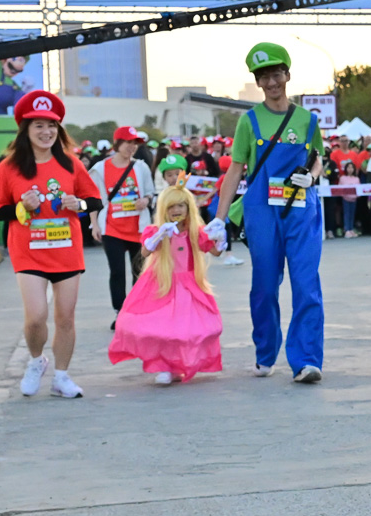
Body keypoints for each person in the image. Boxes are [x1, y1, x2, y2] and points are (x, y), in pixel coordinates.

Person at [209, 43, 325, 383]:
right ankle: (265, 352)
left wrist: (312, 176)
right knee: (264, 286)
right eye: (264, 77)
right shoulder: (248, 121)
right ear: (258, 83)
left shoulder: (308, 120)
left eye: (276, 75)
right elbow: (235, 170)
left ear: (287, 75)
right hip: (262, 211)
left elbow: (318, 157)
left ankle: (306, 360)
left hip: (302, 211)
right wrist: (219, 220)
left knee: (306, 285)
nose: (271, 82)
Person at [0, 90, 102, 400]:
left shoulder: (71, 164)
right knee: (36, 317)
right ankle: (36, 360)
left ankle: (62, 377)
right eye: (38, 125)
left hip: (66, 250)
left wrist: (79, 205)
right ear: (25, 129)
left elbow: (94, 200)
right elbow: (0, 211)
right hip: (28, 251)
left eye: (52, 125)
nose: (46, 132)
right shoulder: (9, 167)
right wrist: (22, 207)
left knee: (65, 318)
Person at [108, 184, 224, 385]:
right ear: (163, 209)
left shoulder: (195, 232)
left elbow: (215, 251)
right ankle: (163, 366)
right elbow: (145, 251)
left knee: (185, 329)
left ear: (188, 208)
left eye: (180, 205)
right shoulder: (156, 231)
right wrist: (158, 236)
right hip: (162, 284)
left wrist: (220, 239)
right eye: (171, 206)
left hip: (188, 286)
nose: (176, 210)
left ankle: (178, 364)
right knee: (161, 328)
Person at [91, 126, 156, 329]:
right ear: (117, 143)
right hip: (112, 229)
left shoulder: (141, 167)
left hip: (138, 228)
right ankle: (120, 312)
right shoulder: (100, 169)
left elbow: (150, 192)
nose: (132, 147)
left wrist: (146, 200)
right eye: (128, 142)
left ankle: (136, 311)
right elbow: (94, 199)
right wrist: (94, 224)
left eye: (135, 143)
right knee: (117, 272)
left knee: (139, 271)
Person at [333, 159, 364, 238]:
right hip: (345, 198)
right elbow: (340, 188)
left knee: (352, 214)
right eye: (348, 167)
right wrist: (344, 195)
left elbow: (359, 189)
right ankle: (347, 229)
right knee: (346, 214)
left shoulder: (356, 179)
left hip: (354, 199)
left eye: (351, 167)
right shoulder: (343, 178)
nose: (350, 169)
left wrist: (357, 196)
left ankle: (351, 229)